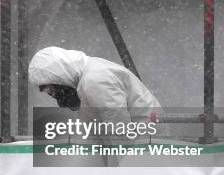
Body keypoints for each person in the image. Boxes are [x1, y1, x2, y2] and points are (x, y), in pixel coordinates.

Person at [29, 46, 161, 125]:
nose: (59, 100)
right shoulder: (87, 79)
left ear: (60, 78)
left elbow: (119, 131)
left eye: (53, 92)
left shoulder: (95, 81)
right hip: (145, 143)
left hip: (146, 146)